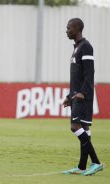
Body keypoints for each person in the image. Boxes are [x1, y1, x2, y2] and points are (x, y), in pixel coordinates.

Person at [62, 18, 103, 175]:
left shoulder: (86, 47)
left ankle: (96, 162)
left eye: (69, 28)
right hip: (76, 96)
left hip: (83, 96)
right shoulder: (77, 48)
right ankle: (81, 167)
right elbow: (77, 76)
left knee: (75, 127)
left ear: (78, 29)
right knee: (84, 128)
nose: (66, 31)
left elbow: (89, 73)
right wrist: (69, 95)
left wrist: (82, 92)